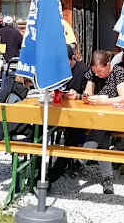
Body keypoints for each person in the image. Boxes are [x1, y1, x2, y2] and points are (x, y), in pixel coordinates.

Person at [70, 50, 124, 194]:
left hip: (115, 116)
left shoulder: (118, 72)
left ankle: (81, 158)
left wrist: (103, 101)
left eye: (100, 71)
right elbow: (88, 93)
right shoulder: (93, 73)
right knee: (102, 138)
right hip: (97, 117)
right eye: (95, 71)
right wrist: (86, 96)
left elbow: (123, 98)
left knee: (100, 128)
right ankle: (107, 180)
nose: (97, 74)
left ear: (108, 65)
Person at [48, 45, 91, 182]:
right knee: (40, 127)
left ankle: (58, 168)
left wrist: (78, 96)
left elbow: (90, 96)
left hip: (77, 114)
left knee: (73, 131)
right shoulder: (57, 70)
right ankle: (38, 163)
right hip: (58, 110)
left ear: (72, 58)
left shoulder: (84, 70)